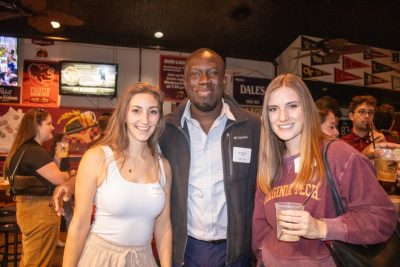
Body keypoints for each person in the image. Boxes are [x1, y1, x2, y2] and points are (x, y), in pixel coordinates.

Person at [252, 73, 396, 266]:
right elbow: (260, 228)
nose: (282, 117)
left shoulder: (337, 154)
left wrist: (322, 228)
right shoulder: (269, 163)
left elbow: (382, 218)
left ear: (307, 109)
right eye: (273, 109)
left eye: (292, 106)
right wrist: (263, 258)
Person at [159, 48, 261, 266]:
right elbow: (129, 155)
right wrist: (76, 180)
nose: (204, 81)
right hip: (185, 250)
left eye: (212, 73)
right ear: (185, 82)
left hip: (235, 252)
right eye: (195, 74)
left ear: (224, 80)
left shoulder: (253, 127)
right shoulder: (166, 129)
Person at [62, 82, 172, 267]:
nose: (145, 120)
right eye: (136, 110)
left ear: (159, 118)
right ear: (124, 115)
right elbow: (79, 226)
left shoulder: (163, 166)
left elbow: (163, 227)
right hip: (100, 258)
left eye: (152, 111)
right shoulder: (97, 158)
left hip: (143, 259)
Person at [3, 108, 72, 267]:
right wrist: (69, 175)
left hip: (29, 210)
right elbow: (58, 178)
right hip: (39, 212)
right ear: (36, 127)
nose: (53, 127)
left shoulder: (24, 149)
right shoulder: (34, 151)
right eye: (48, 123)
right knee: (39, 262)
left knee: (31, 259)